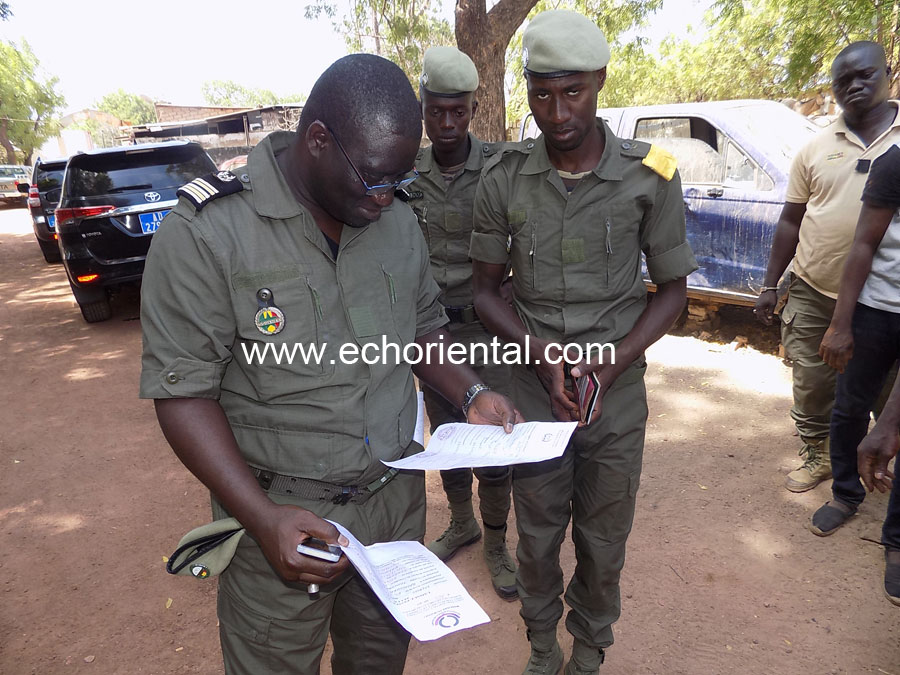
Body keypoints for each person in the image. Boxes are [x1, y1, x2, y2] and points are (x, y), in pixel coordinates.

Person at [139, 54, 520, 675]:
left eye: (399, 178)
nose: (386, 195)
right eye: (374, 177)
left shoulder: (395, 218)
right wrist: (261, 518)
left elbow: (423, 327)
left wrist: (472, 392)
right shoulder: (209, 233)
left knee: (377, 663)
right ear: (318, 140)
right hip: (283, 519)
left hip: (392, 511)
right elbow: (183, 394)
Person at [470, 10, 697, 674]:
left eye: (573, 91)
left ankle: (590, 649)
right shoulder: (504, 177)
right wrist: (538, 351)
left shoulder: (651, 173)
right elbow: (485, 292)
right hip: (533, 388)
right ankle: (542, 646)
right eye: (542, 94)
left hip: (615, 395)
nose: (557, 111)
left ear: (600, 80)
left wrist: (615, 361)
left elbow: (673, 292)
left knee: (603, 537)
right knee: (538, 537)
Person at [754, 41, 900, 493]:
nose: (854, 86)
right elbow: (791, 220)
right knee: (813, 384)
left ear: (887, 72)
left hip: (886, 301)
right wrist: (770, 285)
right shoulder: (814, 148)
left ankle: (879, 459)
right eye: (842, 81)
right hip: (816, 289)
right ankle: (820, 456)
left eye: (865, 75)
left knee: (885, 390)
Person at [406, 45, 517, 599]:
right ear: (423, 109)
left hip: (486, 329)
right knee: (447, 436)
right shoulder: (406, 174)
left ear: (474, 109)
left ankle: (495, 541)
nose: (447, 124)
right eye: (436, 111)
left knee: (491, 442)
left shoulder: (501, 169)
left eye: (458, 111)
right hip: (430, 332)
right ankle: (461, 522)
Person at [815, 141, 900, 604]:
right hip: (876, 309)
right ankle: (846, 494)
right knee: (849, 407)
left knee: (896, 425)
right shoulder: (895, 162)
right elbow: (864, 243)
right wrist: (841, 323)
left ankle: (897, 538)